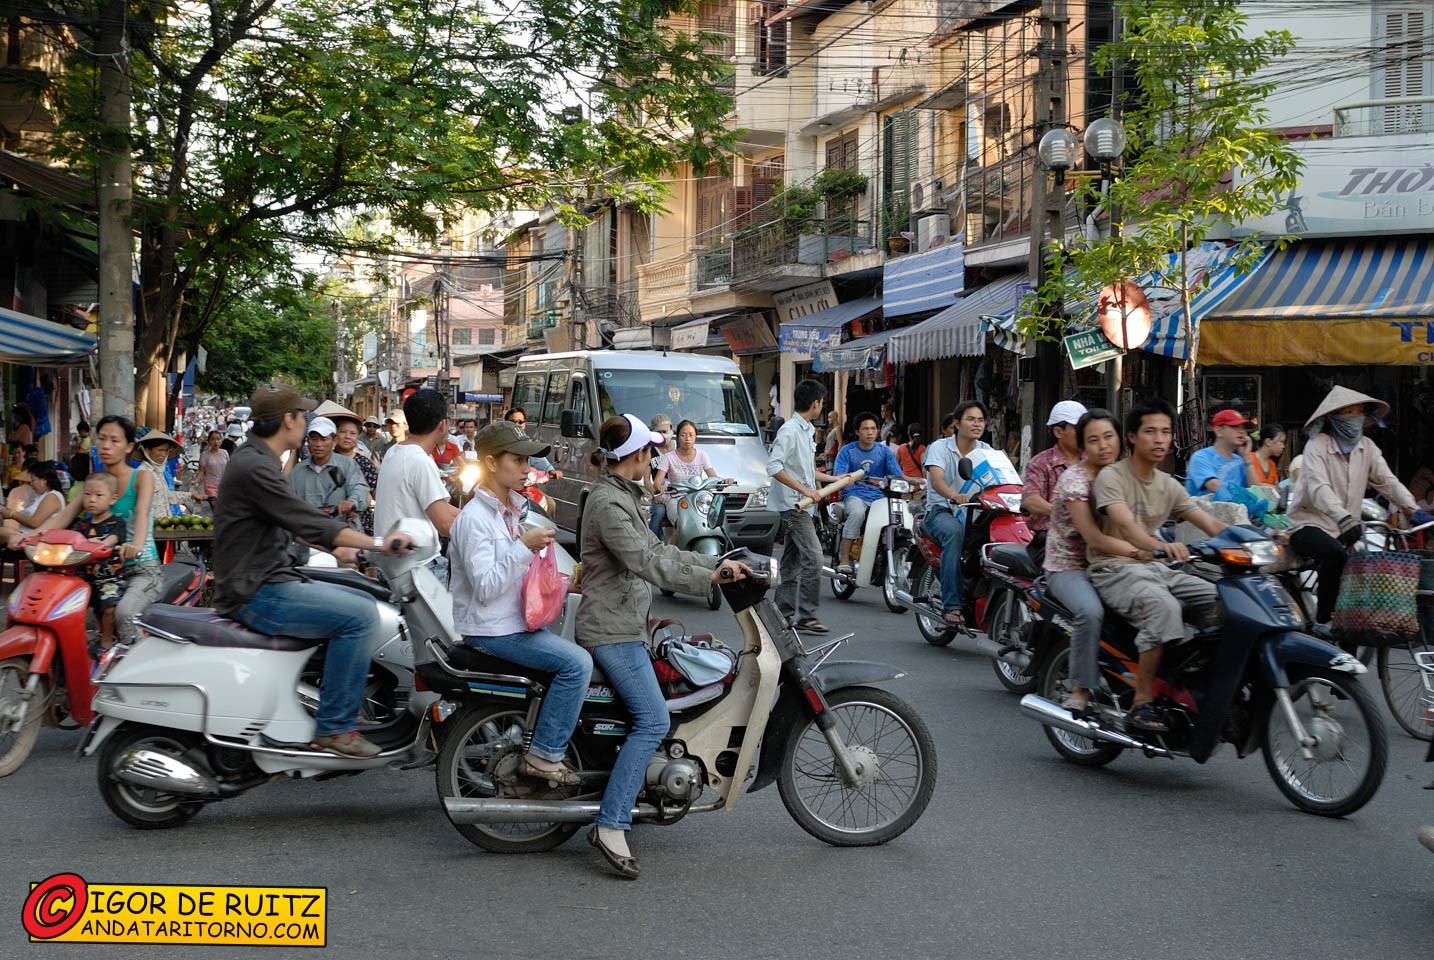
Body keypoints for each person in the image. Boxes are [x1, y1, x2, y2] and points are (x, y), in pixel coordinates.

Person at [577, 412, 749, 878]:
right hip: (611, 632)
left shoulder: (623, 495)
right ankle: (610, 825)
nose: (654, 457)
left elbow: (661, 550)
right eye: (650, 451)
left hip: (627, 623)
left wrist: (717, 561)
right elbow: (648, 562)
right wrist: (707, 577)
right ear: (637, 455)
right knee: (653, 720)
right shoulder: (609, 504)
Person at [211, 382, 416, 758]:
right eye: (303, 416)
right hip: (256, 590)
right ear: (287, 420)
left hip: (270, 577)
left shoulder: (259, 459)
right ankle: (335, 726)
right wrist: (378, 543)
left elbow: (291, 524)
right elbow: (305, 519)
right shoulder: (256, 466)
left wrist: (343, 549)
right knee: (361, 616)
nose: (307, 425)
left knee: (361, 595)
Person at [450, 420, 592, 786]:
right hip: (493, 630)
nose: (527, 468)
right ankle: (544, 755)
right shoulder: (475, 519)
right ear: (492, 463)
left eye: (527, 461)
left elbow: (517, 580)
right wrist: (524, 547)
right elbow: (486, 586)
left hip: (513, 622)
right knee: (577, 664)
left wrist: (563, 584)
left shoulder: (510, 512)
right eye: (518, 460)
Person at [1086, 397, 1228, 734]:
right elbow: (1126, 527)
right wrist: (1160, 546)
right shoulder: (1112, 477)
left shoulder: (1168, 484)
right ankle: (1142, 700)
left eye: (1165, 432)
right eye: (1150, 431)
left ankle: (1188, 678)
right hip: (1114, 568)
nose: (1160, 439)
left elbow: (1210, 523)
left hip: (1157, 568)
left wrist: (1259, 539)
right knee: (1164, 609)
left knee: (1223, 600)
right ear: (1132, 437)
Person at [1286, 386, 1430, 626]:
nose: (1356, 417)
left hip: (1346, 527)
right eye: (1349, 412)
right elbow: (1319, 488)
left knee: (1362, 565)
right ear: (1334, 418)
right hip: (1308, 524)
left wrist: (1412, 509)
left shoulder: (1367, 447)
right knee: (1334, 553)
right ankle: (1324, 619)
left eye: (1360, 412)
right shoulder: (1317, 446)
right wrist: (1342, 517)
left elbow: (1388, 482)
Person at [1042, 409, 1142, 714]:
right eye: (1094, 440)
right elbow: (1094, 539)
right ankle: (1080, 687)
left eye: (1109, 437)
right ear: (1083, 445)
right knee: (1090, 612)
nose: (1103, 446)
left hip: (1114, 563)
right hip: (1069, 566)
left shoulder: (1125, 474)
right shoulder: (1075, 481)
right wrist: (1141, 550)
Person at [38, 416, 163, 647]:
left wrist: (135, 545)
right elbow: (65, 516)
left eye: (114, 440)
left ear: (129, 447)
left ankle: (134, 663)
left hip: (140, 568)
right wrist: (33, 535)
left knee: (123, 614)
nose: (106, 445)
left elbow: (143, 513)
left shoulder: (142, 477)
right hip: (99, 569)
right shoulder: (95, 482)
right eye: (102, 438)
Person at [767, 379, 848, 634]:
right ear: (815, 404)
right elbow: (774, 467)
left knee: (792, 562)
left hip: (804, 505)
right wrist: (804, 491)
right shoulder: (789, 431)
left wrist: (834, 479)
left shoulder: (806, 430)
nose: (821, 406)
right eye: (822, 402)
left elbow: (807, 472)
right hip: (793, 506)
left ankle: (781, 615)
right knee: (814, 557)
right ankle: (807, 616)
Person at [923, 400, 995, 629]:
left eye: (981, 420)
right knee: (954, 534)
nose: (977, 424)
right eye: (971, 419)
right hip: (942, 510)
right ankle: (952, 604)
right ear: (956, 423)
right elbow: (937, 480)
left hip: (976, 512)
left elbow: (1002, 478)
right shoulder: (940, 447)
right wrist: (954, 495)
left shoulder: (987, 451)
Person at [374, 388, 461, 548]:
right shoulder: (420, 461)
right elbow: (445, 525)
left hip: (392, 556)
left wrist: (475, 517)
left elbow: (437, 505)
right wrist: (487, 531)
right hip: (415, 559)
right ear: (443, 424)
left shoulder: (395, 451)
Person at [832, 411, 904, 574]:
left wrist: (917, 481)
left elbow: (897, 475)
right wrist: (847, 478)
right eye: (865, 429)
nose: (870, 432)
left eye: (873, 428)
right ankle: (845, 559)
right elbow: (838, 475)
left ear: (878, 431)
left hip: (880, 497)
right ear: (857, 431)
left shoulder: (884, 451)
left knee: (896, 517)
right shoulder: (847, 451)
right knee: (857, 513)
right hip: (855, 495)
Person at [70, 472, 127, 653]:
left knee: (109, 608)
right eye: (87, 494)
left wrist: (100, 544)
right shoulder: (81, 525)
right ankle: (84, 636)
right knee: (72, 607)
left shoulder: (117, 523)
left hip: (109, 578)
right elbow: (72, 540)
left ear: (113, 499)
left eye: (99, 495)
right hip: (84, 578)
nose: (92, 500)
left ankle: (107, 638)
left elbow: (112, 540)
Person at [288, 417, 370, 527]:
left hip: (343, 531)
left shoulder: (347, 465)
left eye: (323, 439)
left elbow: (359, 488)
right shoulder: (298, 471)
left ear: (334, 441)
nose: (318, 444)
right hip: (309, 531)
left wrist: (352, 502)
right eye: (314, 439)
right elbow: (289, 503)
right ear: (308, 441)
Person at [1021, 399, 1088, 535]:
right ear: (1058, 432)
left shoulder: (1091, 460)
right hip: (1049, 536)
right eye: (1078, 429)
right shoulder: (1040, 463)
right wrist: (1068, 513)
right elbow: (1030, 500)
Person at [654, 419, 729, 533]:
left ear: (695, 437)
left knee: (715, 522)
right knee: (682, 524)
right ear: (678, 437)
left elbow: (713, 477)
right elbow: (657, 482)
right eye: (683, 435)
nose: (687, 438)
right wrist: (661, 487)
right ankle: (674, 544)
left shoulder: (702, 455)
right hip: (676, 499)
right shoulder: (668, 457)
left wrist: (725, 481)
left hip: (699, 500)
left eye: (691, 435)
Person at [1185, 408, 1255, 495]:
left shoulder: (1239, 460)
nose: (1242, 431)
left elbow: (1255, 490)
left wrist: (1247, 457)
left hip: (1238, 503)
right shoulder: (1201, 457)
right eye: (1235, 426)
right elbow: (1216, 487)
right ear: (1219, 431)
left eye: (1243, 428)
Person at [332, 415, 380, 536]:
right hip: (331, 524)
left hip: (361, 526)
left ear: (358, 436)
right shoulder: (327, 460)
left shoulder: (365, 463)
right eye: (343, 432)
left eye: (352, 433)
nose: (347, 436)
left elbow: (377, 495)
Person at [0, 461, 67, 541]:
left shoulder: (52, 496)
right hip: (27, 535)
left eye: (33, 480)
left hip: (34, 539)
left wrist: (12, 514)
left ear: (44, 480)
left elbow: (34, 522)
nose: (31, 484)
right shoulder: (41, 495)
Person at [503, 408, 561, 475]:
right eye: (513, 422)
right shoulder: (499, 443)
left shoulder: (528, 445)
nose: (517, 424)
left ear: (524, 425)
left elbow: (539, 460)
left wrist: (552, 471)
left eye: (520, 422)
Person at [645, 414, 674, 537]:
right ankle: (651, 541)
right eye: (659, 432)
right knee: (658, 513)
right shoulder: (650, 451)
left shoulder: (680, 446)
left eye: (665, 431)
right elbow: (646, 479)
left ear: (671, 429)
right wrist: (655, 495)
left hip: (679, 490)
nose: (662, 435)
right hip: (660, 492)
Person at [1242, 422, 1286, 488]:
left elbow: (1277, 489)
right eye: (1281, 442)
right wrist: (1271, 487)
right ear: (1268, 442)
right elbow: (1253, 486)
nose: (1283, 446)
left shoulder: (1272, 464)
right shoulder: (1249, 458)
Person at [197, 429, 229, 499]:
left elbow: (229, 468)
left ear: (221, 441)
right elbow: (201, 471)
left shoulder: (225, 452)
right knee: (215, 503)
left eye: (218, 439)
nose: (216, 442)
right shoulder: (204, 455)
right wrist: (196, 480)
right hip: (210, 486)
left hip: (224, 485)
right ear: (208, 441)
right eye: (213, 439)